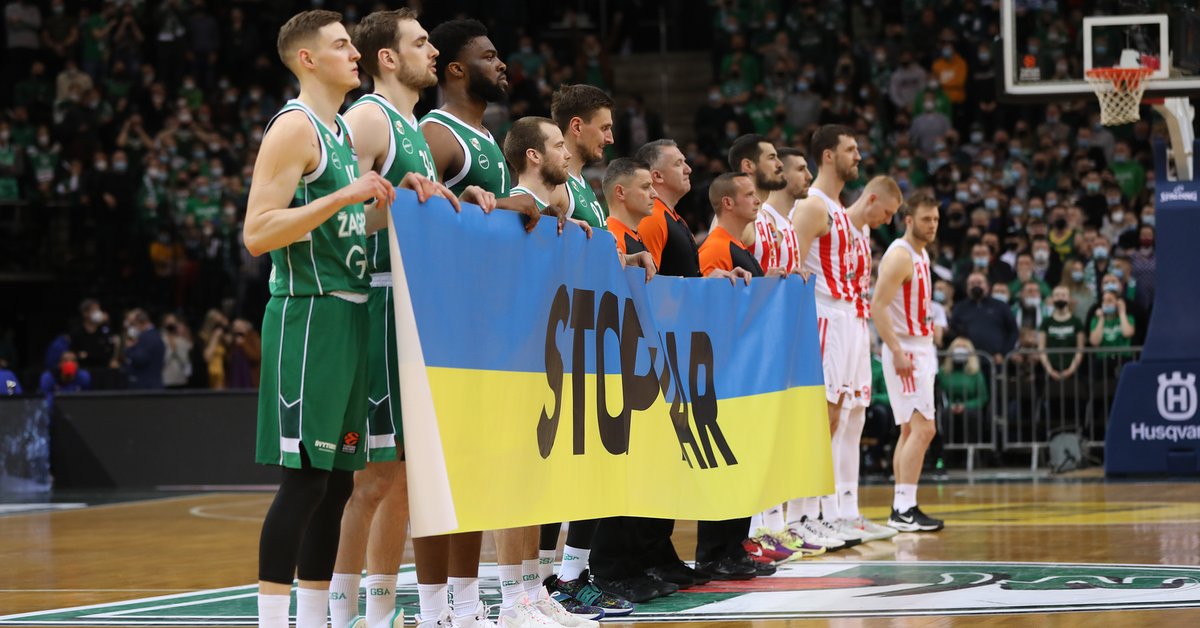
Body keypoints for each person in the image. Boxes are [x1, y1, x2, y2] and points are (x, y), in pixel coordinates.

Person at [421, 18, 595, 628]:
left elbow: (511, 211)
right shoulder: (437, 133)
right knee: (458, 474)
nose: (505, 65)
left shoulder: (488, 137)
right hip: (460, 327)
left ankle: (509, 594)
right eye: (490, 56)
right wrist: (493, 204)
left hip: (509, 320)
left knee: (518, 466)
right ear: (457, 68)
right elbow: (421, 213)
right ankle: (435, 605)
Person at [326, 11, 490, 628]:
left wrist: (463, 200)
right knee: (371, 479)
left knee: (401, 478)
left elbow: (399, 207)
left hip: (411, 310)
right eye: (420, 42)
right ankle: (339, 616)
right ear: (388, 59)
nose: (430, 51)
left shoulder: (414, 127)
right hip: (371, 303)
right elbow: (326, 208)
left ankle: (381, 614)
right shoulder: (369, 117)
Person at [242, 11, 398, 628]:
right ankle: (271, 621)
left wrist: (395, 199)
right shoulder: (294, 127)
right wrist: (343, 194)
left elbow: (344, 225)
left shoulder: (336, 133)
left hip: (353, 315)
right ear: (307, 58)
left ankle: (314, 620)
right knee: (304, 483)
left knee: (337, 485)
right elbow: (257, 232)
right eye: (340, 46)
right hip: (308, 317)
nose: (354, 53)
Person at [790, 125, 895, 548]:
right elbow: (791, 270)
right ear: (828, 155)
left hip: (850, 318)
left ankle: (834, 511)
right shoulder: (813, 207)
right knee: (822, 419)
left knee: (848, 418)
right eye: (851, 150)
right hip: (824, 316)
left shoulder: (841, 211)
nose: (859, 156)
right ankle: (801, 515)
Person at [870, 192, 944, 532]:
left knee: (910, 430)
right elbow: (878, 306)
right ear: (909, 220)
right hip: (908, 351)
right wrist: (898, 350)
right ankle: (903, 508)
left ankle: (902, 506)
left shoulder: (921, 253)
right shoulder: (900, 255)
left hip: (919, 347)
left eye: (936, 219)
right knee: (925, 428)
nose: (933, 225)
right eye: (927, 219)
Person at [549, 84, 614, 230]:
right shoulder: (554, 183)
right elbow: (517, 218)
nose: (610, 139)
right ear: (577, 127)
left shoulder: (581, 181)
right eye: (604, 128)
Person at [699, 173, 769, 278]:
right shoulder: (716, 249)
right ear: (728, 203)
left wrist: (771, 280)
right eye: (749, 194)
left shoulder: (735, 243)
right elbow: (703, 293)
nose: (757, 201)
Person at [123, 308, 164, 390]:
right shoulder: (152, 335)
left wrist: (130, 348)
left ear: (141, 322)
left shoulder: (147, 337)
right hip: (149, 385)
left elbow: (140, 359)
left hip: (145, 387)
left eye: (132, 324)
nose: (130, 327)